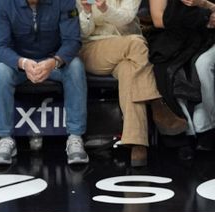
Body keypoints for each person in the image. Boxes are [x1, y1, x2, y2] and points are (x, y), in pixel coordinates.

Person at [76, 0, 188, 167]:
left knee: (130, 70)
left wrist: (104, 8)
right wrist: (86, 12)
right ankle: (157, 103)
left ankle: (138, 144)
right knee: (137, 44)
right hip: (93, 48)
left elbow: (127, 18)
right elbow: (83, 33)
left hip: (129, 51)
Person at [0, 0, 89, 166]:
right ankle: (4, 138)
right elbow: (0, 46)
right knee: (0, 71)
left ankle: (75, 137)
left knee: (76, 67)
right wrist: (22, 63)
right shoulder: (3, 3)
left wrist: (55, 61)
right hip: (19, 62)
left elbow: (72, 41)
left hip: (53, 60)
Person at [148, 0, 215, 155]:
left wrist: (206, 7)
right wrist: (202, 17)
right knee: (168, 70)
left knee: (199, 66)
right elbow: (159, 20)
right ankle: (186, 132)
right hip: (174, 36)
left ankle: (205, 128)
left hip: (204, 36)